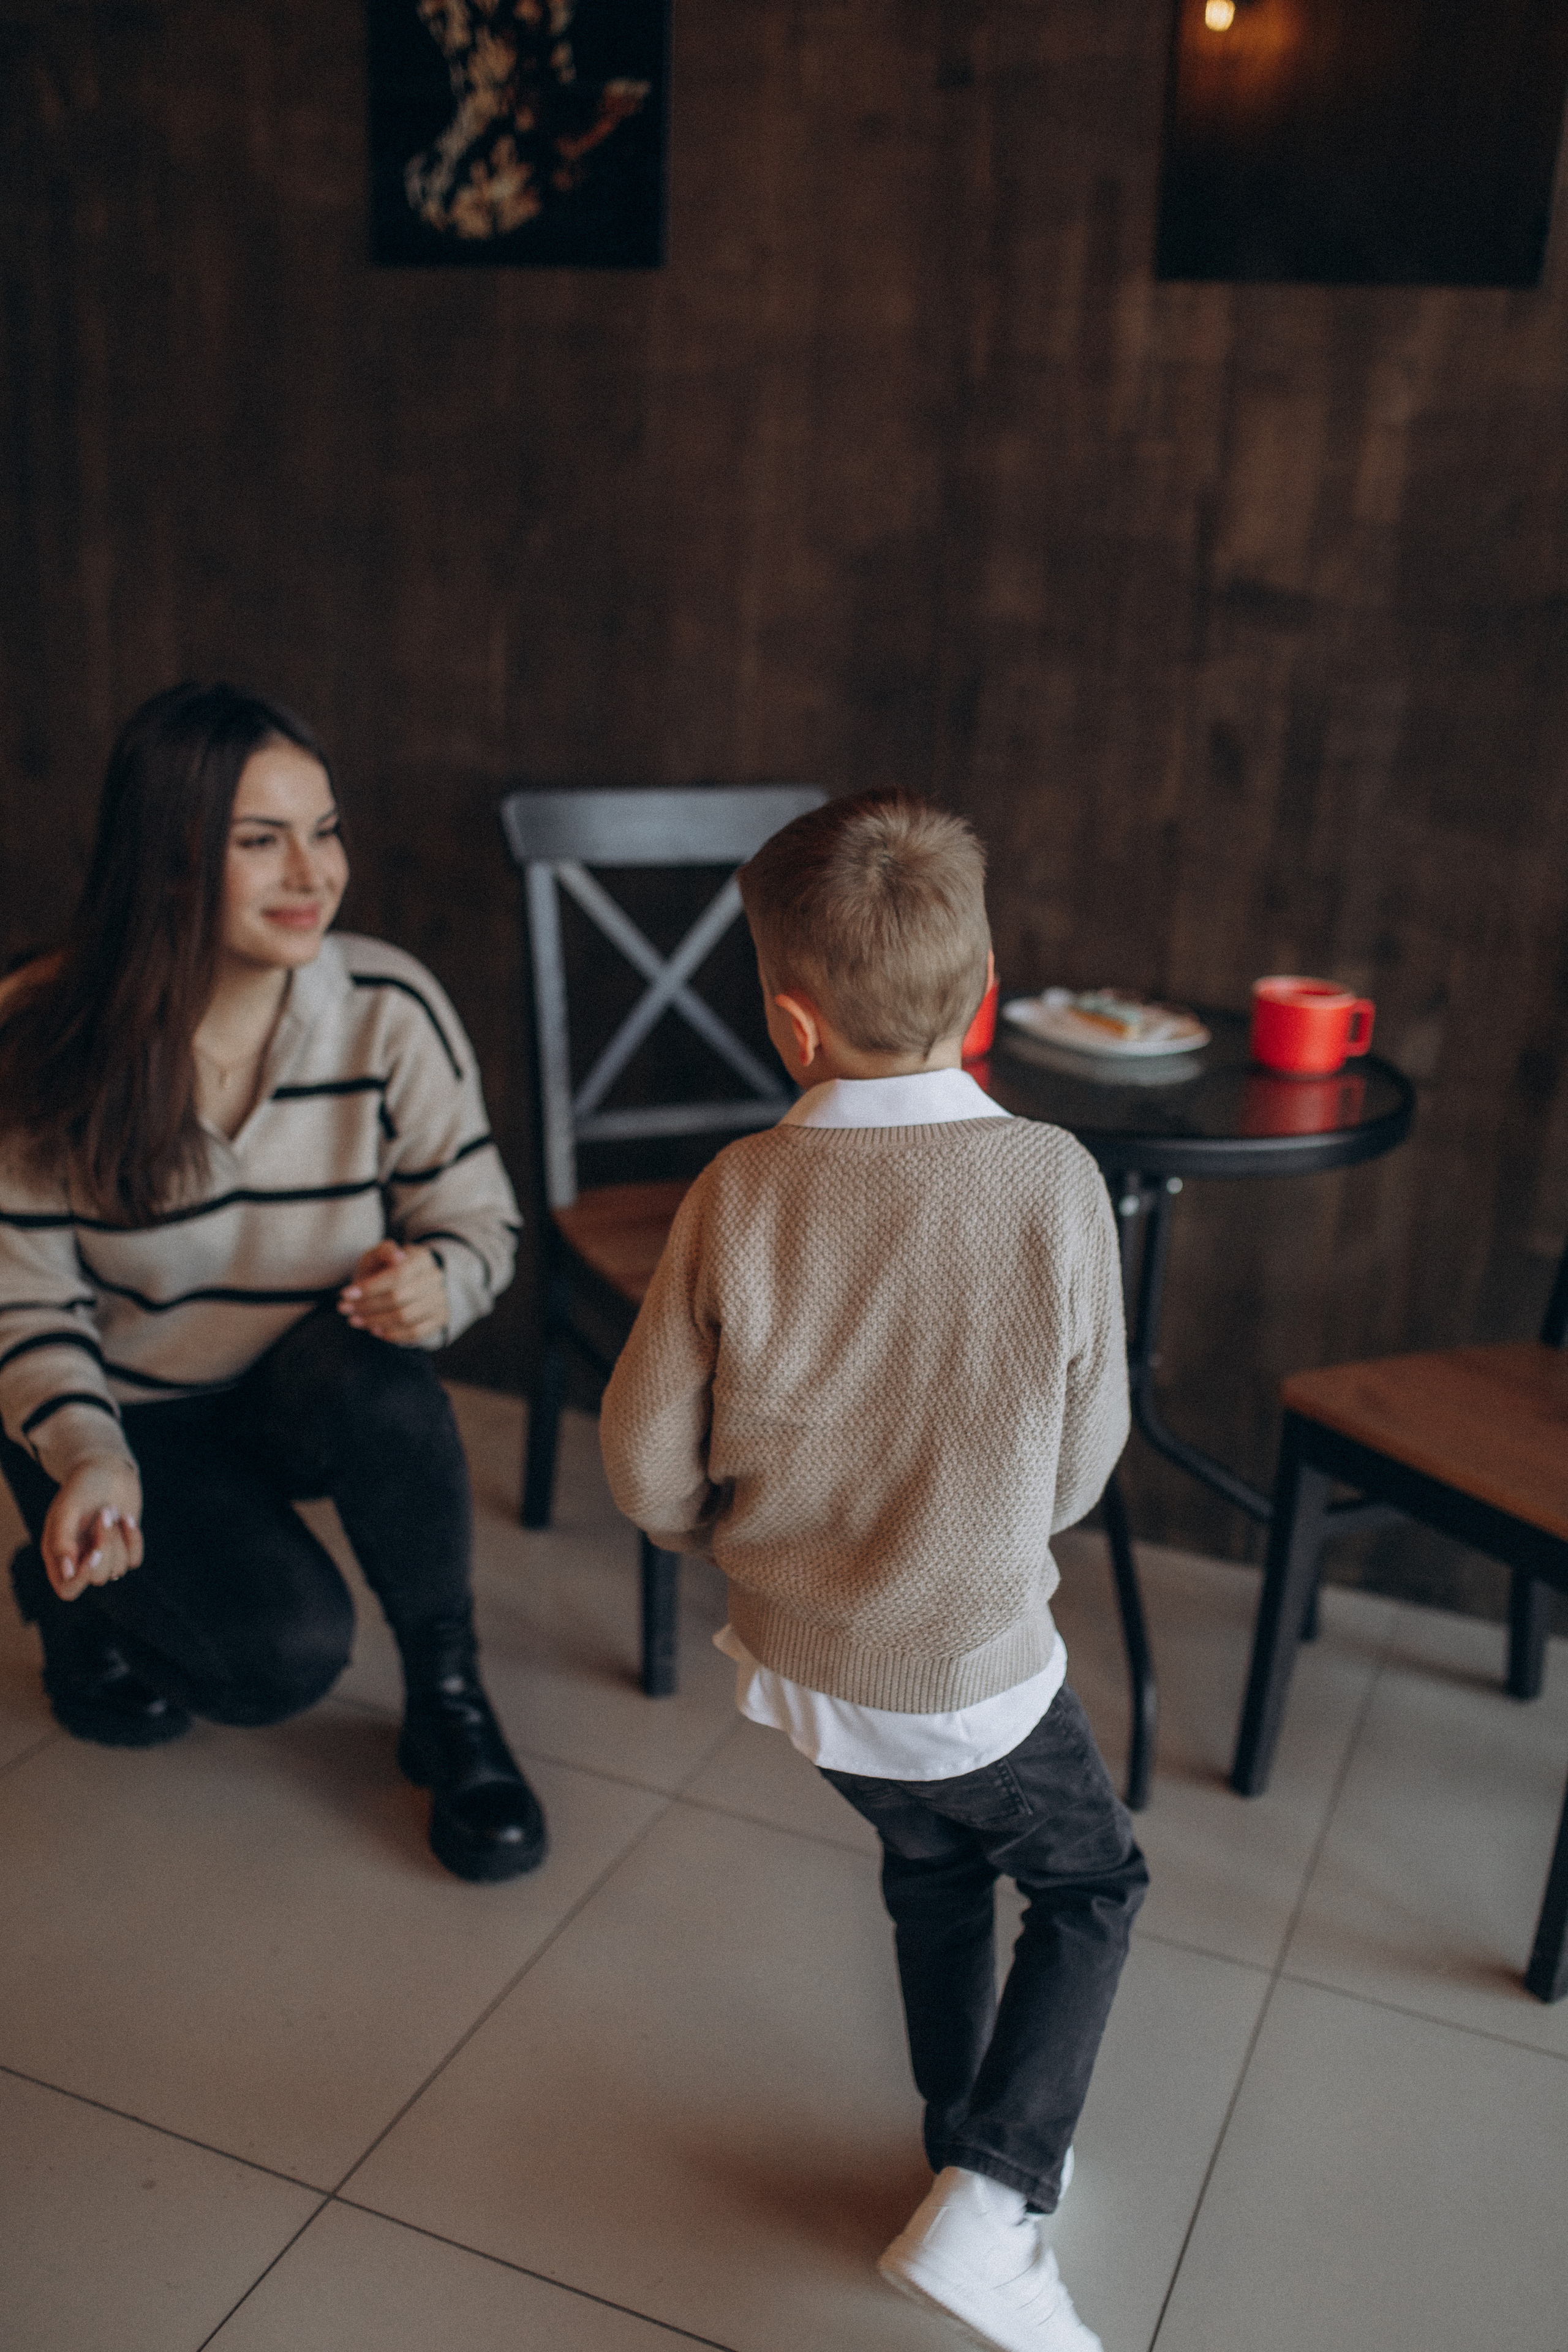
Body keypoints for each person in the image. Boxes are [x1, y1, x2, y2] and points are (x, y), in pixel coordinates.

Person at [599, 792, 1147, 2352]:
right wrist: (979, 1530)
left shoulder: (734, 1195)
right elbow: (1085, 1455)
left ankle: (953, 2137)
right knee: (1093, 1885)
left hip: (805, 1676)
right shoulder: (1049, 1181)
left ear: (790, 1022)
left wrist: (722, 1542)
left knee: (928, 1868)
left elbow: (642, 1463)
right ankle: (991, 2199)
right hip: (967, 1668)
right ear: (985, 992)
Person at [0, 680, 546, 1884]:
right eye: (262, 840)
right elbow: (23, 1305)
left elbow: (476, 1219)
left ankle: (450, 1701)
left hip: (302, 1391)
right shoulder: (38, 1032)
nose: (313, 872)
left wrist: (441, 1283)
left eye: (326, 829)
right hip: (128, 1415)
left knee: (389, 1379)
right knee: (275, 1662)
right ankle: (74, 1597)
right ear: (170, 855)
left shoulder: (385, 1008)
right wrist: (89, 1456)